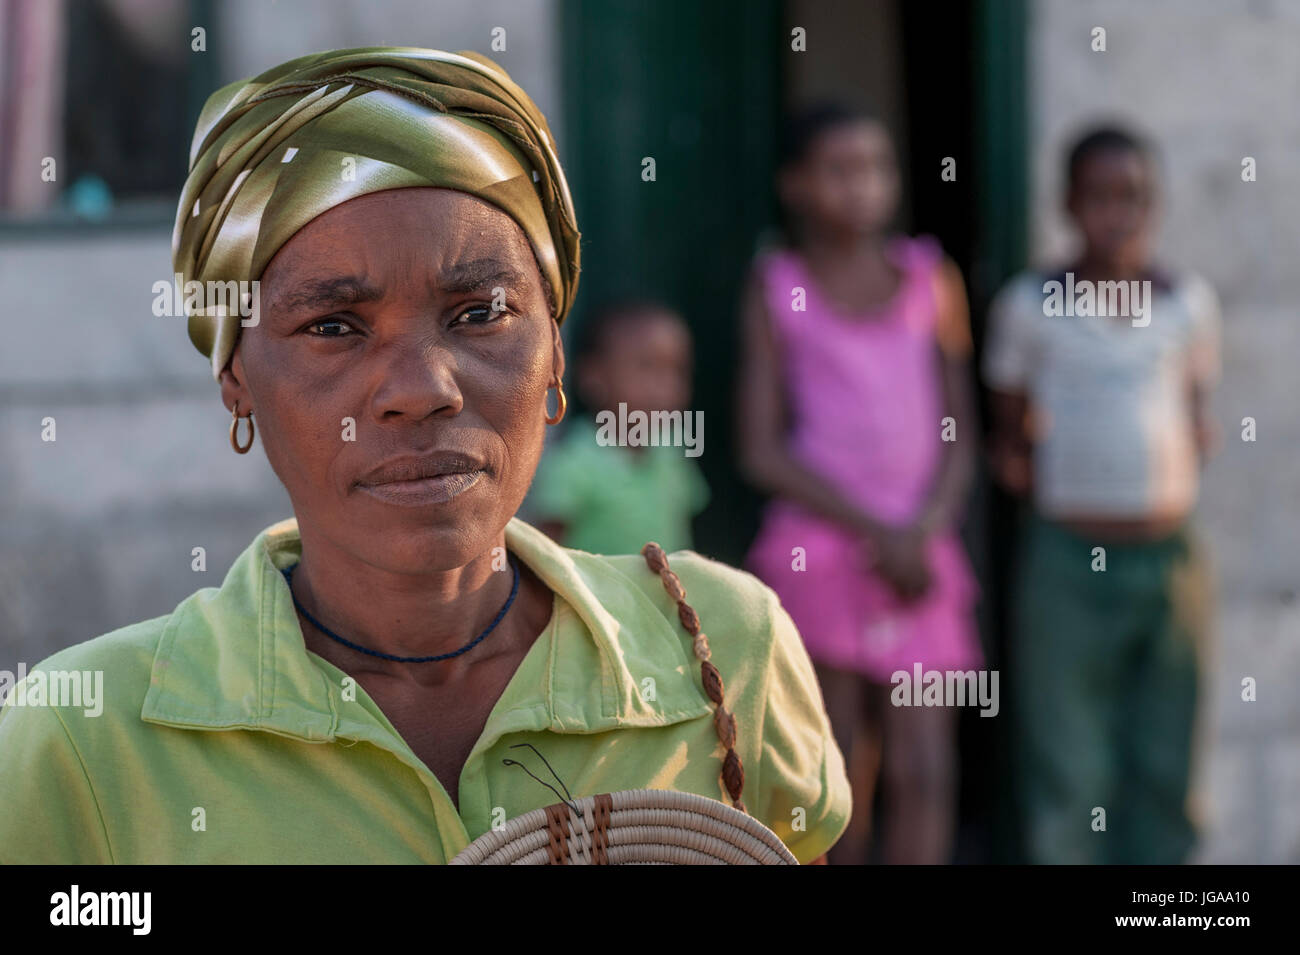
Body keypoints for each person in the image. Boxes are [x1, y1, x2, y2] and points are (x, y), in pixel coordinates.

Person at [0, 47, 849, 864]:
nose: (422, 388)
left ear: (555, 352)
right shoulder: (84, 742)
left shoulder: (723, 651)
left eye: (480, 313)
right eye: (333, 327)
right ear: (236, 384)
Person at [737, 103, 982, 865]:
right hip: (821, 549)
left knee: (925, 767)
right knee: (834, 774)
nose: (862, 187)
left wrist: (924, 528)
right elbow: (761, 449)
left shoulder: (930, 279)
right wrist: (875, 531)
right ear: (795, 186)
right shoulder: (779, 287)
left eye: (875, 167)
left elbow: (960, 431)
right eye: (839, 170)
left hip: (919, 548)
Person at [983, 125, 1221, 864]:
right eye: (1100, 197)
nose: (1118, 214)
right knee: (1070, 764)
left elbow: (1196, 412)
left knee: (1167, 762)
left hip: (1170, 556)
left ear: (1156, 205)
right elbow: (1010, 431)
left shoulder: (1187, 303)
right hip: (1068, 559)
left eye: (1135, 197)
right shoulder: (1029, 307)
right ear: (1067, 205)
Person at [526, 297, 710, 554]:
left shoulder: (672, 444)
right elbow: (546, 553)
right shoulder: (575, 463)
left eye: (677, 370)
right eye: (647, 368)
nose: (666, 388)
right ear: (594, 377)